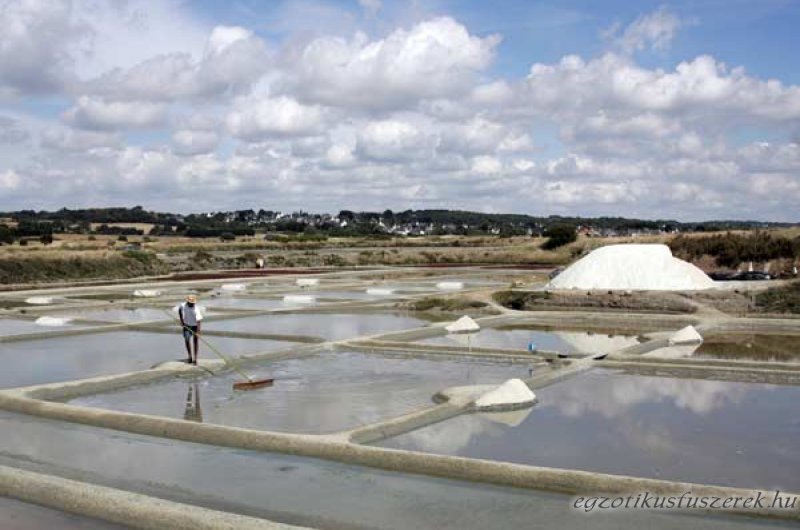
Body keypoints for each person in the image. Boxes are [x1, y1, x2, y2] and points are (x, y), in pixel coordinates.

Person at [178, 294, 203, 364]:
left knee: (195, 341)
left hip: (195, 326)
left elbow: (199, 321)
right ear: (188, 302)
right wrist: (181, 320)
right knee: (187, 340)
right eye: (191, 303)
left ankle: (195, 358)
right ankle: (190, 356)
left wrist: (198, 332)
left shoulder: (196, 309)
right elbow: (180, 310)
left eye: (193, 303)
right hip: (187, 325)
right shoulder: (183, 305)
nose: (192, 304)